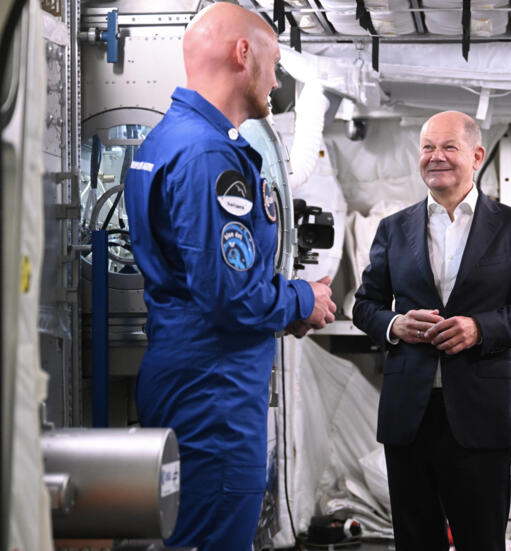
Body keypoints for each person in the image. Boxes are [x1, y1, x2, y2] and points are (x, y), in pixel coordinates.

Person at [124, 4, 336, 550]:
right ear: (243, 54)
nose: (275, 79)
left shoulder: (169, 139)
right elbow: (231, 296)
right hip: (212, 394)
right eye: (271, 60)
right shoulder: (208, 155)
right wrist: (300, 300)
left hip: (191, 377)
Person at [353, 111, 511, 550]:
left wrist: (479, 329)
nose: (435, 157)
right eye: (427, 147)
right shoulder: (393, 228)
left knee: (481, 539)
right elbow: (364, 305)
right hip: (411, 414)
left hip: (481, 414)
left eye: (449, 147)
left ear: (477, 155)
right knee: (415, 539)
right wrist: (394, 324)